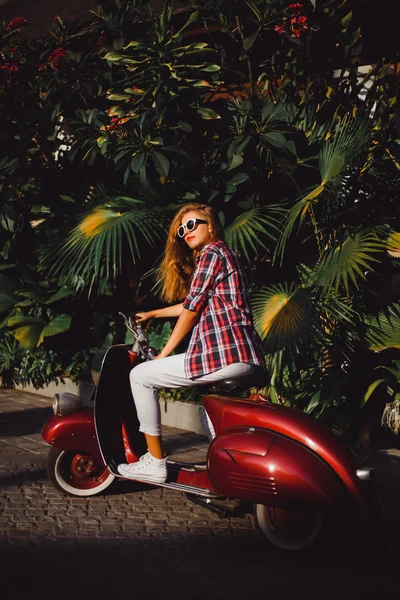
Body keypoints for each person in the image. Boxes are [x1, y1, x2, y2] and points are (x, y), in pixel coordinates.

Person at [117, 203, 266, 483]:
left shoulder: (213, 252)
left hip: (223, 354)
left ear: (211, 226)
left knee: (140, 376)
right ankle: (231, 473)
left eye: (192, 224)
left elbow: (192, 309)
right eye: (181, 230)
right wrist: (153, 313)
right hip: (243, 355)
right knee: (207, 414)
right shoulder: (223, 255)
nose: (186, 232)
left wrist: (165, 352)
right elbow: (192, 301)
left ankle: (155, 462)